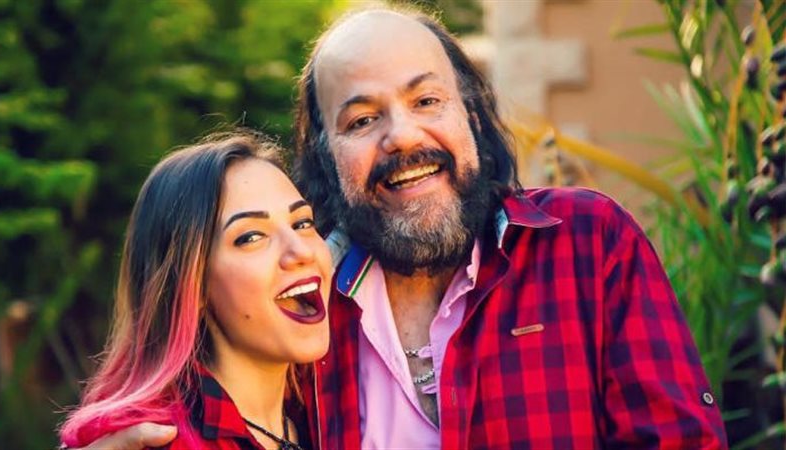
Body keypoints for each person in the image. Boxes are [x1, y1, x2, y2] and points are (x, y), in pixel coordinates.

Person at [75, 7, 729, 449]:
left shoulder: (587, 245)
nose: (403, 137)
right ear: (325, 158)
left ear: (472, 114)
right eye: (362, 120)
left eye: (426, 100)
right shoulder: (304, 312)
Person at [59, 131, 332, 449]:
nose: (301, 251)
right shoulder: (158, 441)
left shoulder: (334, 416)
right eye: (251, 237)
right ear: (193, 283)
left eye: (302, 223)